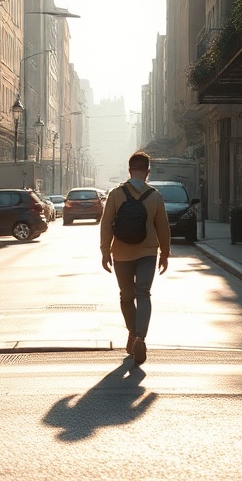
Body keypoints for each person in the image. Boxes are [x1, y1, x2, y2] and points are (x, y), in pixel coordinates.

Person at [100, 151, 171, 366]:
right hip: (148, 253)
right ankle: (140, 337)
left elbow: (106, 224)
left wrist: (105, 251)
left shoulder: (116, 194)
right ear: (148, 172)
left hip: (121, 253)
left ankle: (132, 333)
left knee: (126, 296)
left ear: (129, 170)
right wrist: (165, 253)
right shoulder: (156, 196)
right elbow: (163, 227)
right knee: (144, 294)